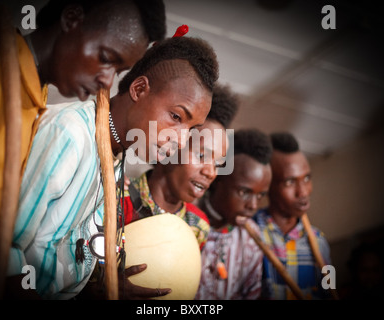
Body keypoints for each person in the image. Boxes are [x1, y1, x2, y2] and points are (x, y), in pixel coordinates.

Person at [0, 0, 166, 299]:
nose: (108, 80)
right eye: (106, 58)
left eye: (118, 70)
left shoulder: (34, 101)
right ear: (71, 18)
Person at [5, 36, 219, 300]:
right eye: (176, 117)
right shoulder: (72, 135)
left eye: (191, 129)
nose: (181, 139)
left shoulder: (117, 161)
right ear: (139, 89)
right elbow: (5, 250)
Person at [122, 84, 238, 250]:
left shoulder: (198, 227)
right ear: (171, 147)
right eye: (201, 156)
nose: (210, 172)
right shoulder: (119, 198)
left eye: (218, 164)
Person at [195, 129, 273, 300]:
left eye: (260, 195)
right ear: (218, 179)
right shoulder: (184, 221)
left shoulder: (251, 238)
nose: (253, 205)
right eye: (244, 192)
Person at [253, 132, 331, 300]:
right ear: (267, 185)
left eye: (307, 178)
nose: (303, 192)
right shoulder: (248, 234)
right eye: (289, 182)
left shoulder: (319, 242)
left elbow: (330, 291)